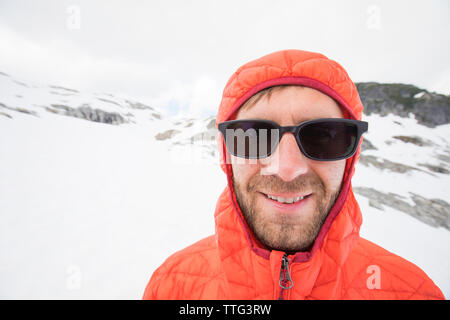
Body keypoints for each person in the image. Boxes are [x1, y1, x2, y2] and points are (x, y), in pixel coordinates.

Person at [143, 49, 444, 299]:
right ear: (227, 154)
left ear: (351, 156)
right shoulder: (171, 286)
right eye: (254, 137)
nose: (286, 169)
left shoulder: (412, 292)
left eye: (323, 136)